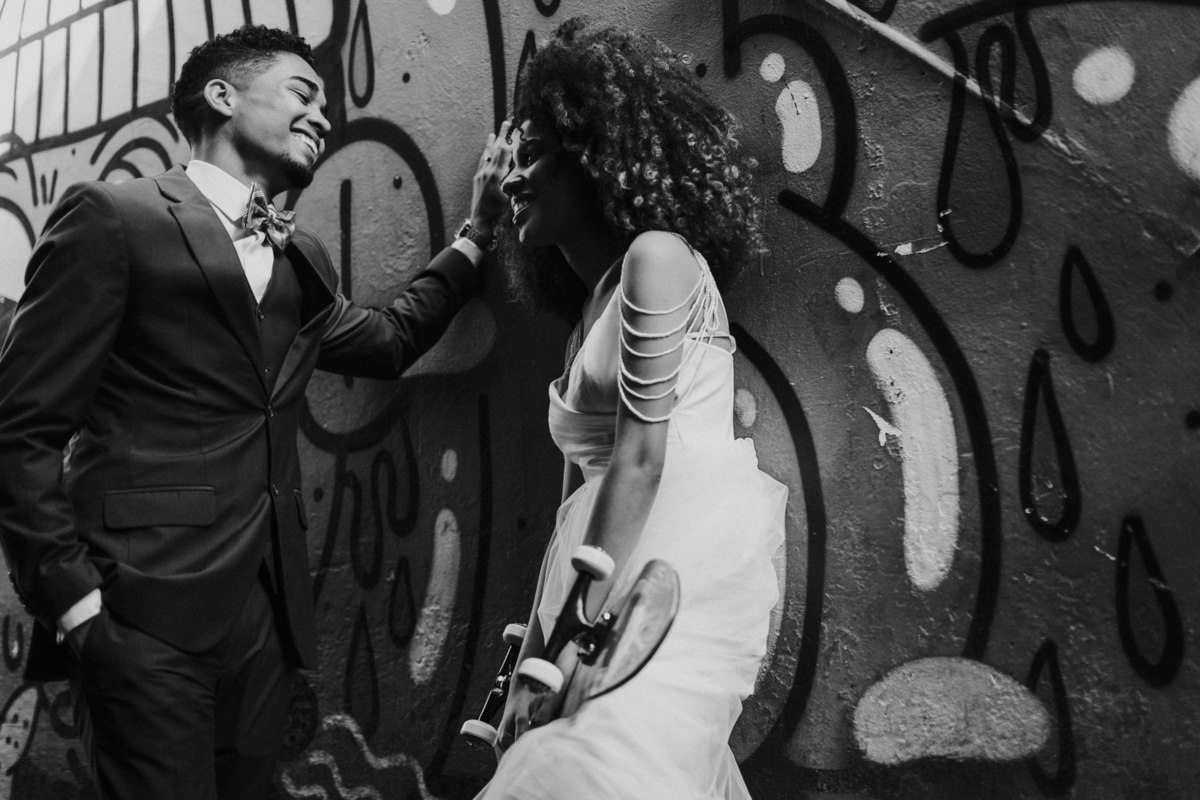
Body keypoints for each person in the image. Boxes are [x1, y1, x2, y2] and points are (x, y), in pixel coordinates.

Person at [0, 24, 511, 800]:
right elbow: (21, 427)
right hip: (139, 605)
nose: (322, 117)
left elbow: (386, 340)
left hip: (267, 619)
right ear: (223, 96)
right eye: (303, 94)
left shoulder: (302, 258)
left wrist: (476, 239)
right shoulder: (114, 217)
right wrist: (75, 603)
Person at [478, 18, 787, 800]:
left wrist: (562, 646)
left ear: (595, 153)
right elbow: (576, 506)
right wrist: (532, 650)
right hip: (600, 582)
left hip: (668, 578)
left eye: (534, 153)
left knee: (593, 772)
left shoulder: (660, 257)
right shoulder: (589, 316)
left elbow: (642, 458)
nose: (513, 178)